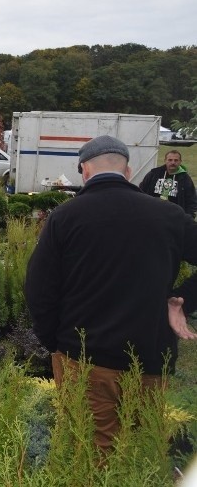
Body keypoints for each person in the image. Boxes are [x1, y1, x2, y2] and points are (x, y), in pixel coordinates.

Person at [25, 135, 197, 453]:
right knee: (140, 451)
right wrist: (183, 300)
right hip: (151, 357)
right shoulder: (170, 217)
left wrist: (57, 344)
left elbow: (38, 290)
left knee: (91, 452)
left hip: (86, 357)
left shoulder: (66, 217)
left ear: (84, 171)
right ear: (128, 172)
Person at [138, 149, 197, 217]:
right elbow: (141, 191)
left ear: (180, 162)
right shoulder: (154, 174)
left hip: (174, 216)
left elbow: (191, 200)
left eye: (176, 160)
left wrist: (188, 218)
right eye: (170, 160)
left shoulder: (185, 178)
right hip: (152, 214)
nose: (173, 162)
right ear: (165, 160)